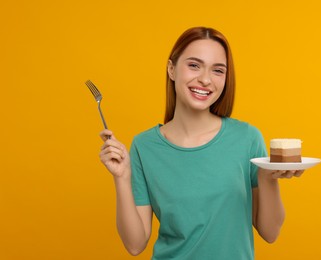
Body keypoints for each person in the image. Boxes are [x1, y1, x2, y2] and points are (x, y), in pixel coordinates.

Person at [98, 27, 304, 259]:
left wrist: (268, 177)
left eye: (217, 70)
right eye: (194, 65)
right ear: (172, 69)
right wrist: (122, 178)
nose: (205, 79)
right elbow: (135, 245)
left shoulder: (247, 139)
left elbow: (270, 232)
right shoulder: (144, 146)